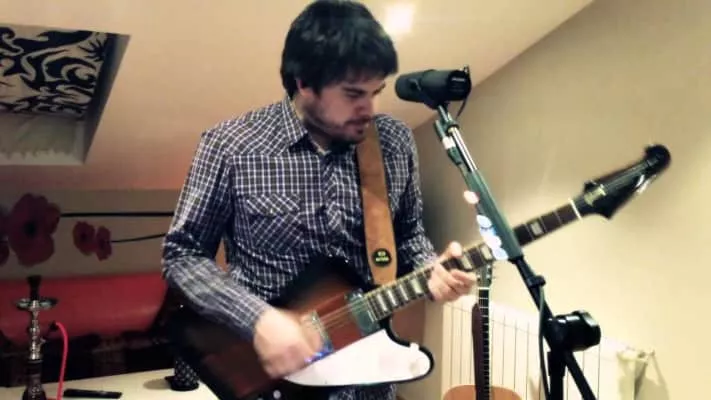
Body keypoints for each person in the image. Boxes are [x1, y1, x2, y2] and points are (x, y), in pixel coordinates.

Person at [161, 1, 479, 399]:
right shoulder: (230, 146)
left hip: (369, 379)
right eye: (353, 94)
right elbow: (183, 254)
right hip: (273, 381)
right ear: (304, 82)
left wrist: (432, 268)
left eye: (376, 92)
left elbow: (408, 232)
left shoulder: (394, 142)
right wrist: (258, 319)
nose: (369, 109)